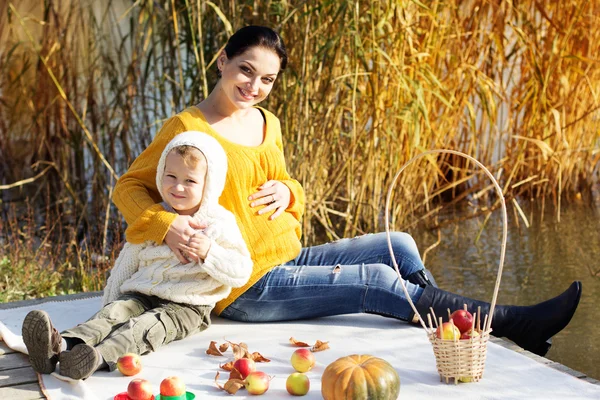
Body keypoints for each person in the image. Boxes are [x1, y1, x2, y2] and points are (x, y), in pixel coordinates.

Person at [115, 26, 580, 358]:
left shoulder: (266, 122)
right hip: (242, 284)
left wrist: (289, 193)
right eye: (245, 70)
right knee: (376, 281)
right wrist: (169, 224)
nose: (254, 87)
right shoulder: (188, 127)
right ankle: (504, 323)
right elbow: (129, 188)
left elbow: (284, 183)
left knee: (399, 244)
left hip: (286, 257)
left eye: (267, 80)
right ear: (222, 61)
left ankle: (452, 337)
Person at [22, 132, 253, 379]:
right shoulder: (156, 218)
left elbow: (241, 271)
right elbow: (127, 261)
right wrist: (110, 303)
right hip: (141, 294)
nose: (177, 187)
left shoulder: (219, 223)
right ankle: (59, 347)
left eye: (190, 181)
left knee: (144, 328)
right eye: (171, 176)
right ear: (161, 174)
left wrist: (210, 252)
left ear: (210, 184)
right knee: (114, 315)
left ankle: (95, 358)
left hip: (187, 306)